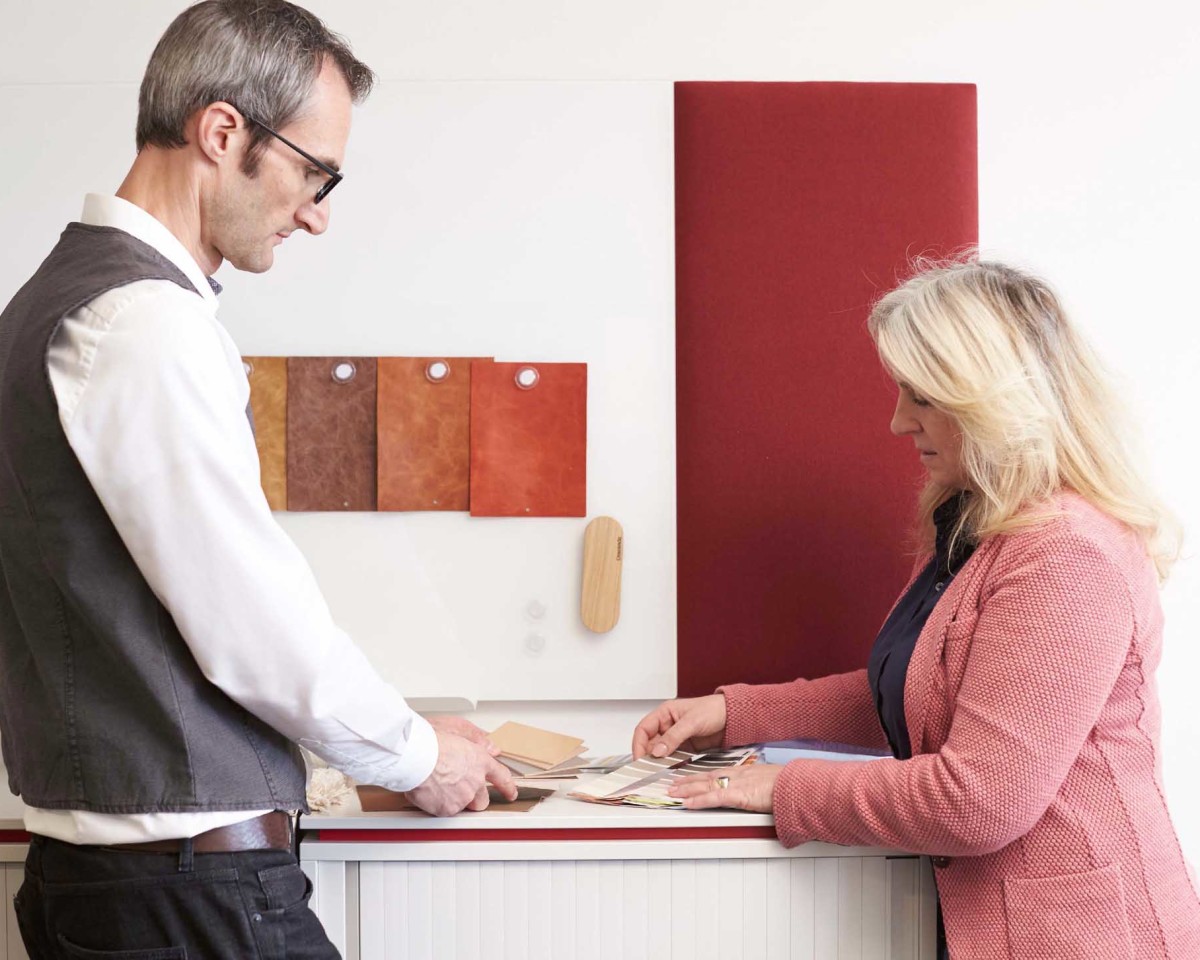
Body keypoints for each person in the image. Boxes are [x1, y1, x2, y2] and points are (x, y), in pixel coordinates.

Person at [0, 2, 515, 956]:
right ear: (222, 131)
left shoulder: (43, 309)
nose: (317, 213)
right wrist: (417, 757)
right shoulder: (142, 324)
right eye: (314, 172)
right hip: (186, 895)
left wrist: (395, 735)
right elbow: (251, 626)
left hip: (113, 885)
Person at [633, 259, 1200, 959]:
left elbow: (978, 801)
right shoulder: (977, 525)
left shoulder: (1065, 554)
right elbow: (921, 696)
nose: (899, 421)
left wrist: (781, 787)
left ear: (993, 400)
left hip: (1085, 939)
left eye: (923, 397)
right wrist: (734, 715)